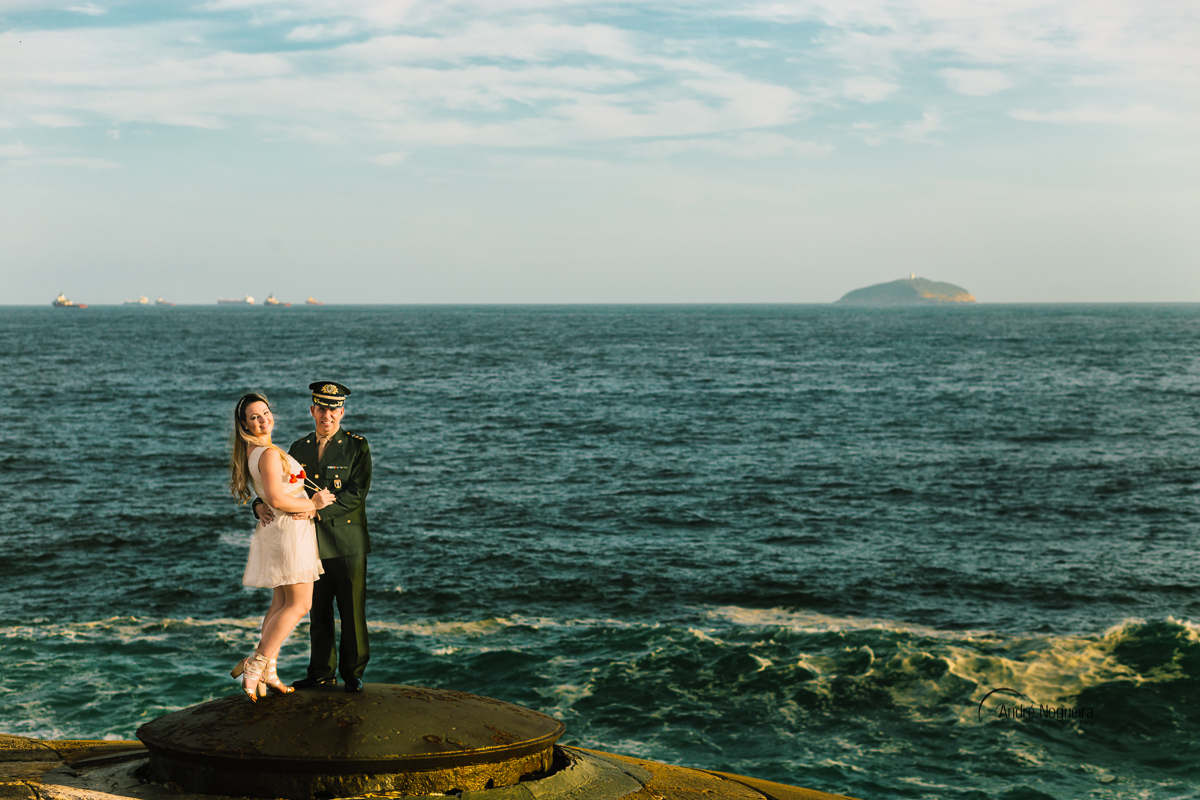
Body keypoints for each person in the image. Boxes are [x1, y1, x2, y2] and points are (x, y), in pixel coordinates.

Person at [254, 382, 372, 693]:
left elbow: (356, 494)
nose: (327, 415)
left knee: (351, 610)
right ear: (312, 411)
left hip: (347, 542)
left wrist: (316, 511)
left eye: (333, 410)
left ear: (341, 412)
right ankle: (321, 672)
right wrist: (257, 505)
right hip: (308, 542)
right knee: (317, 611)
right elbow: (280, 486)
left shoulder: (357, 447)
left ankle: (353, 673)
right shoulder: (299, 447)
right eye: (321, 409)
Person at [228, 393, 336, 702]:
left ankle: (269, 670)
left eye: (265, 412)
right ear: (244, 424)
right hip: (290, 532)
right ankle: (255, 664)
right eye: (254, 417)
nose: (263, 419)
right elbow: (276, 498)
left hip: (277, 532)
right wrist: (314, 503)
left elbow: (268, 496)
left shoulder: (254, 451)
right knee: (300, 604)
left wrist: (260, 503)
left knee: (280, 603)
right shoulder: (267, 454)